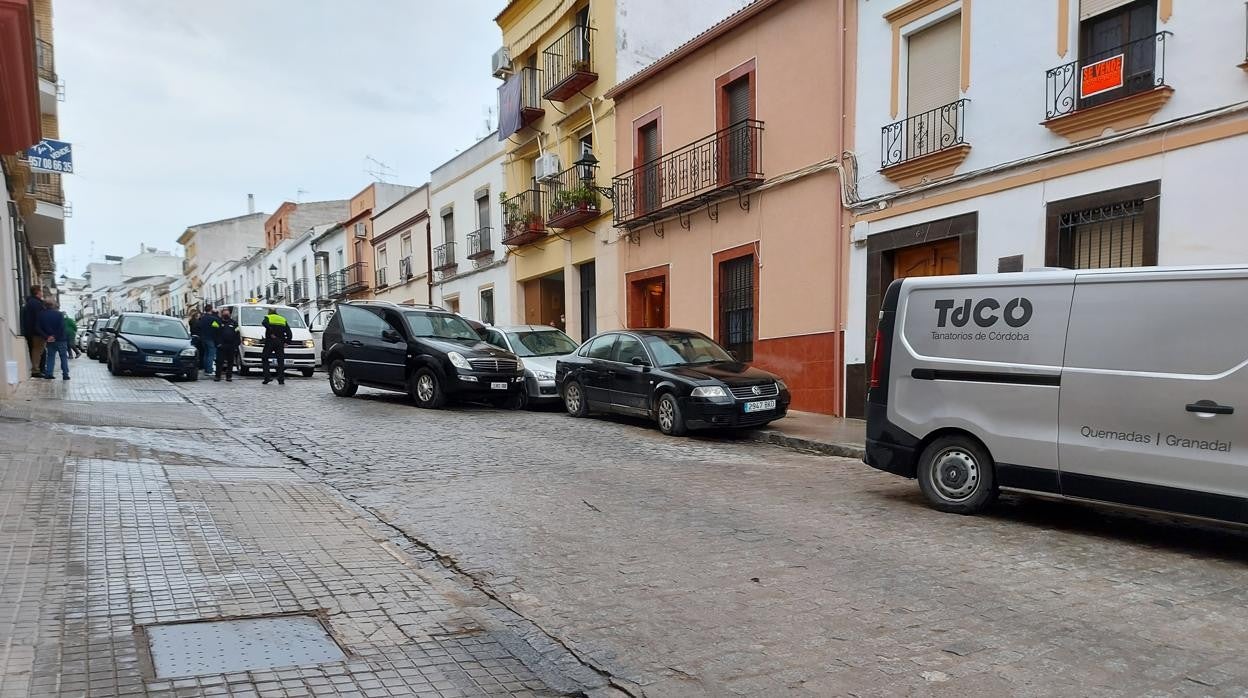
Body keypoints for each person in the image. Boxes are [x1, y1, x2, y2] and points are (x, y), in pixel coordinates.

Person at [36, 301, 69, 380]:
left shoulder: (41, 315)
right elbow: (61, 327)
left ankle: (49, 373)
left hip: (50, 340)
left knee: (50, 356)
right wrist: (55, 336)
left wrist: (47, 337)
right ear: (53, 306)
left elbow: (37, 328)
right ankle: (65, 374)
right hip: (61, 339)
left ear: (45, 306)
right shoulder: (59, 314)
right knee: (63, 357)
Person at [260, 307, 292, 385]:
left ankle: (267, 377)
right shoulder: (282, 319)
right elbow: (289, 332)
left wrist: (271, 332)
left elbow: (264, 323)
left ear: (269, 312)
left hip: (270, 341)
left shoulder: (268, 317)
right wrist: (288, 341)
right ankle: (281, 379)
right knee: (280, 360)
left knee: (265, 357)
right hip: (280, 342)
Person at [20, 285, 45, 378]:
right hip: (36, 332)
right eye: (41, 291)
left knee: (36, 351)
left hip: (31, 331)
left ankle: (38, 369)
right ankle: (36, 370)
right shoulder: (36, 303)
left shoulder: (30, 302)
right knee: (37, 351)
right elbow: (39, 318)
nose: (42, 293)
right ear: (38, 292)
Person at [214, 308, 240, 382]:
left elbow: (237, 334)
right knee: (219, 362)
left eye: (227, 314)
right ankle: (217, 376)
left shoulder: (234, 323)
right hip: (221, 345)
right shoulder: (217, 322)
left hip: (231, 346)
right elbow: (214, 334)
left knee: (230, 362)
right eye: (225, 314)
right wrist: (218, 343)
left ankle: (229, 377)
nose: (226, 315)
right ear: (222, 314)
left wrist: (236, 345)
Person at [196, 305, 221, 375]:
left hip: (203, 338)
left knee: (206, 354)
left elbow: (198, 327)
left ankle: (205, 368)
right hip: (210, 338)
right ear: (211, 310)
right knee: (211, 354)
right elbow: (217, 327)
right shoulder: (212, 319)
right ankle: (209, 370)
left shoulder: (202, 318)